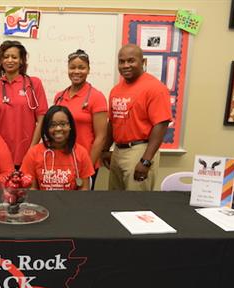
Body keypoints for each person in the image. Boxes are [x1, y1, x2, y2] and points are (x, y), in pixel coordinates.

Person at [102, 44, 172, 191]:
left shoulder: (155, 88)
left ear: (143, 62)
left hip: (139, 151)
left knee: (135, 206)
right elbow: (112, 122)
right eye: (121, 61)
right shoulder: (116, 89)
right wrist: (105, 149)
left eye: (131, 61)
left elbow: (161, 124)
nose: (126, 65)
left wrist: (146, 161)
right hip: (118, 151)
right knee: (114, 203)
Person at [0, 40, 48, 167]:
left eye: (14, 57)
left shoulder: (33, 84)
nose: (10, 60)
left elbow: (42, 119)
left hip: (26, 152)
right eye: (6, 57)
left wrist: (32, 149)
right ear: (1, 61)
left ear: (21, 61)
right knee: (2, 187)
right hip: (0, 151)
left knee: (25, 186)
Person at [53, 49, 108, 189]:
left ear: (88, 70)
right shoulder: (59, 97)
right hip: (62, 162)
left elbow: (101, 137)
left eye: (81, 67)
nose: (76, 71)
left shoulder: (96, 97)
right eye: (72, 67)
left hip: (86, 161)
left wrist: (87, 167)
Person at [21, 105, 94, 191]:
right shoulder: (33, 153)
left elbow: (84, 189)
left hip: (72, 203)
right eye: (53, 125)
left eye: (63, 124)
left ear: (70, 126)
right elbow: (32, 190)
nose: (58, 128)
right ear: (46, 128)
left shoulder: (81, 153)